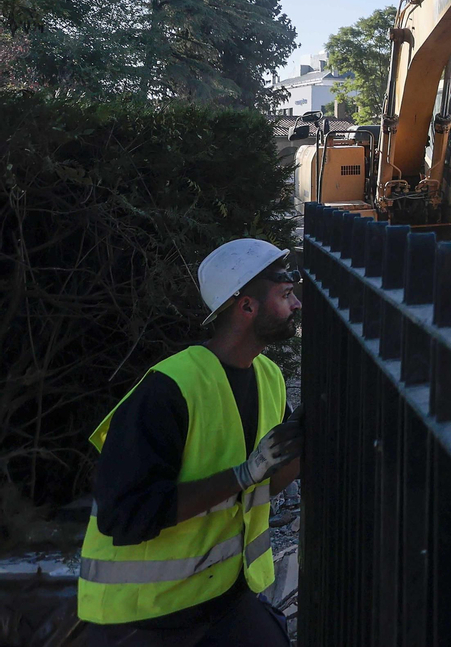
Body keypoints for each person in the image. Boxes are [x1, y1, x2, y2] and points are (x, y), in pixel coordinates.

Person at [77, 239, 306, 646]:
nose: (297, 305)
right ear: (247, 307)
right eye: (286, 295)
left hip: (222, 598)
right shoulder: (168, 390)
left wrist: (300, 448)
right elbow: (126, 515)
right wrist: (242, 474)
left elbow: (261, 488)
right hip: (143, 617)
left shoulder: (268, 377)